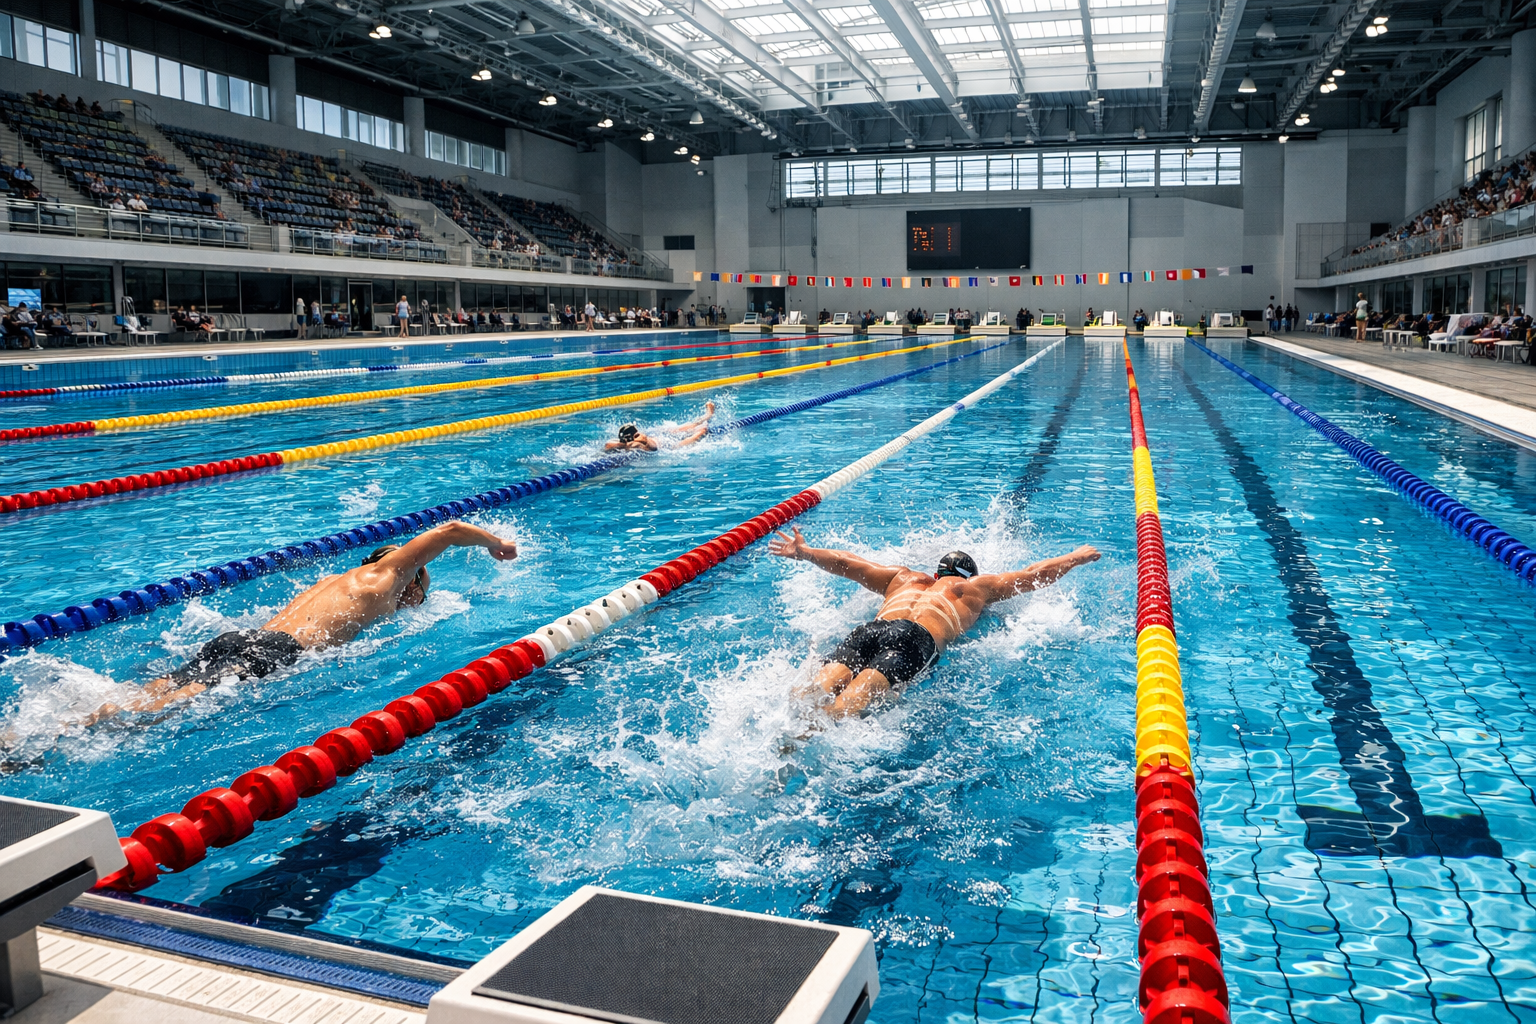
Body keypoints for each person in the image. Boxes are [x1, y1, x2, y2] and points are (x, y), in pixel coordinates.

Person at [80, 522, 517, 725]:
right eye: (422, 590)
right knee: (168, 708)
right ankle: (68, 739)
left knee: (155, 689)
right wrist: (497, 543)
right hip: (276, 651)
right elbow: (448, 531)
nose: (419, 601)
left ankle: (69, 724)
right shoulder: (386, 578)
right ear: (411, 579)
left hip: (242, 638)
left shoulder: (335, 581)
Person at [768, 528, 1100, 717]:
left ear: (937, 572)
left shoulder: (902, 578)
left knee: (814, 692)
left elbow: (848, 563)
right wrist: (1074, 558)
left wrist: (806, 552)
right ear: (969, 574)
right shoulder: (973, 588)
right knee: (846, 708)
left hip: (872, 629)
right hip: (915, 639)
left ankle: (785, 732)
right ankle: (807, 739)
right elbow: (1031, 576)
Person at [606, 401, 716, 451]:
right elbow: (608, 445)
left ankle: (707, 415)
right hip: (664, 443)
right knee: (701, 430)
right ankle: (707, 416)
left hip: (659, 437)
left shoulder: (639, 442)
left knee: (689, 427)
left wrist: (627, 441)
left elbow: (608, 445)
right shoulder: (636, 444)